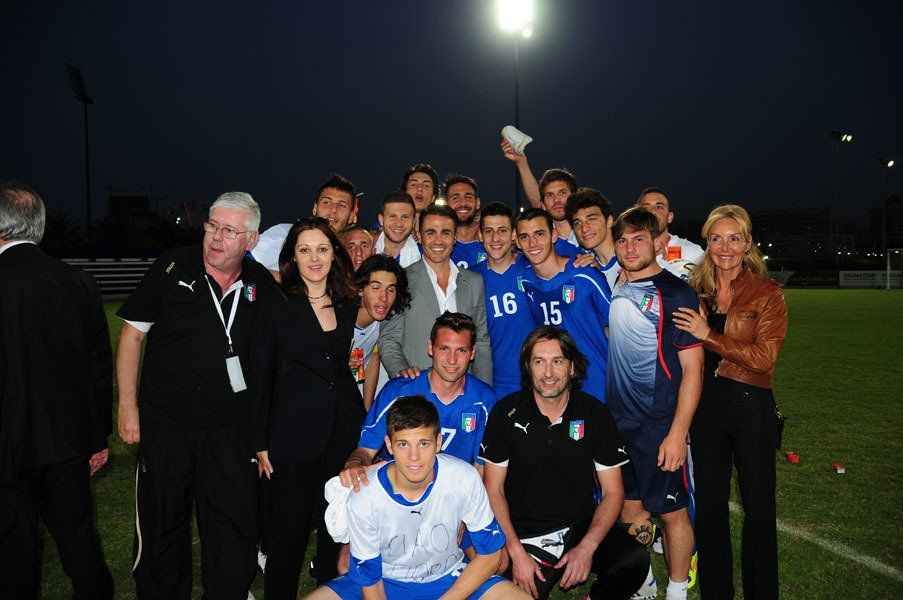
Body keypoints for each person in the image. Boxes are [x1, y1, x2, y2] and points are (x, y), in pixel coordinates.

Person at [117, 191, 273, 599]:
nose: (216, 237)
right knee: (162, 525)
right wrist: (128, 407)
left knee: (231, 529)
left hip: (231, 431)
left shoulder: (261, 284)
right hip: (166, 425)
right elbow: (131, 335)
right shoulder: (172, 266)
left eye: (229, 231)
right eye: (212, 226)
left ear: (251, 240)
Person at [0, 182, 114, 599]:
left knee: (13, 552)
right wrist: (98, 437)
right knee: (79, 542)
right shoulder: (78, 281)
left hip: (8, 447)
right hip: (68, 441)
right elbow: (98, 366)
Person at [481, 326, 649, 600]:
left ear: (571, 367)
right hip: (523, 531)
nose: (548, 373)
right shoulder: (506, 413)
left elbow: (613, 492)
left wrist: (587, 547)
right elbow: (493, 489)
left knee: (634, 560)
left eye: (557, 361)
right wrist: (516, 552)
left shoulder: (594, 413)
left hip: (578, 524)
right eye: (539, 362)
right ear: (528, 367)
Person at [306, 396, 529, 600]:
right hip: (385, 580)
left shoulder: (464, 477)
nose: (414, 457)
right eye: (403, 444)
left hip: (448, 577)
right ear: (389, 445)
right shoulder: (365, 495)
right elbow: (372, 584)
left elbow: (491, 555)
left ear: (438, 442)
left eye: (423, 443)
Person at [673, 204, 787, 600]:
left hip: (751, 406)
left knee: (759, 508)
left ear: (748, 243)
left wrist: (709, 335)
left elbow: (764, 358)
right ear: (707, 242)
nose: (725, 247)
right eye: (717, 239)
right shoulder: (694, 292)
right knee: (709, 508)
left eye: (734, 239)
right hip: (705, 410)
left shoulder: (768, 293)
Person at [248, 217, 365, 598]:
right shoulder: (276, 303)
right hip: (292, 435)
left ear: (334, 255)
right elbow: (261, 373)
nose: (314, 258)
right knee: (288, 535)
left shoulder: (347, 301)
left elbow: (341, 370)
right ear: (292, 257)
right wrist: (260, 441)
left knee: (336, 528)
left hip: (341, 432)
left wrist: (360, 430)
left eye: (322, 249)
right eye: (305, 250)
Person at [606, 207, 704, 600]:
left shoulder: (677, 293)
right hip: (619, 423)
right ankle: (644, 584)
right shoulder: (617, 283)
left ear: (657, 243)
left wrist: (678, 432)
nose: (630, 248)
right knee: (630, 509)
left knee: (672, 512)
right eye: (623, 240)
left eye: (639, 239)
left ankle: (678, 591)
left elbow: (693, 369)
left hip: (658, 425)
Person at [341, 312, 497, 486]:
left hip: (453, 490)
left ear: (472, 353)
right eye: (444, 349)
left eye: (461, 350)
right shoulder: (398, 391)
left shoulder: (484, 400)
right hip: (400, 487)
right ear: (430, 348)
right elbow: (365, 451)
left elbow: (480, 467)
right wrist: (353, 465)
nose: (452, 360)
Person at [378, 204, 493, 384]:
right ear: (420, 236)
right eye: (431, 233)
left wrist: (485, 391)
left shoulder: (474, 282)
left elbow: (481, 343)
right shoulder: (402, 281)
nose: (438, 241)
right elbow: (389, 338)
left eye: (445, 233)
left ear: (455, 237)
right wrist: (402, 375)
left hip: (463, 390)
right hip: (417, 389)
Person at [516, 207, 611, 402]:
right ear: (517, 242)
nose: (532, 243)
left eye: (539, 234)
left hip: (596, 381)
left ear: (553, 235)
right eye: (524, 237)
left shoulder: (585, 274)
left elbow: (617, 327)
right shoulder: (524, 278)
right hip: (554, 384)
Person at [470, 202, 538, 399]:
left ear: (513, 235)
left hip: (536, 378)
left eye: (502, 230)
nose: (495, 238)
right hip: (491, 382)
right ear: (480, 235)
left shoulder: (533, 267)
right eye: (488, 231)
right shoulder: (470, 279)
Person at [252, 173, 359, 271]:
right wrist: (284, 279)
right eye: (326, 202)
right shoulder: (286, 234)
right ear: (315, 208)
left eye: (342, 205)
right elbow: (246, 262)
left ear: (351, 217)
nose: (334, 209)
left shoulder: (347, 256)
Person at [500, 139, 581, 258]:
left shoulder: (589, 232)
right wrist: (521, 162)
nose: (556, 200)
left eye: (562, 193)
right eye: (549, 195)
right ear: (543, 204)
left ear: (575, 196)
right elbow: (535, 200)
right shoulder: (541, 238)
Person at [350, 255, 412, 411]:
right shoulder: (338, 320)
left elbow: (372, 358)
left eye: (390, 290)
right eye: (376, 287)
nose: (384, 297)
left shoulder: (383, 324)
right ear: (360, 289)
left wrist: (367, 410)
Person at [636, 187, 704, 279]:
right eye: (646, 208)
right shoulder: (628, 253)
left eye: (659, 207)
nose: (653, 211)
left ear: (670, 217)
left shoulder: (693, 252)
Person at [565, 187, 621, 291]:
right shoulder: (585, 265)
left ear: (609, 221)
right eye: (577, 223)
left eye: (591, 219)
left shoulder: (632, 261)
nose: (584, 228)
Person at [446, 173, 485, 269]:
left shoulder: (493, 243)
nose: (463, 203)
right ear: (447, 204)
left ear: (478, 203)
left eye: (468, 197)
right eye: (455, 198)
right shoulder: (435, 245)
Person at [373, 190, 421, 267]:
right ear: (381, 219)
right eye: (392, 216)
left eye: (405, 217)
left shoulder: (424, 257)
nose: (398, 224)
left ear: (413, 221)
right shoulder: (365, 252)